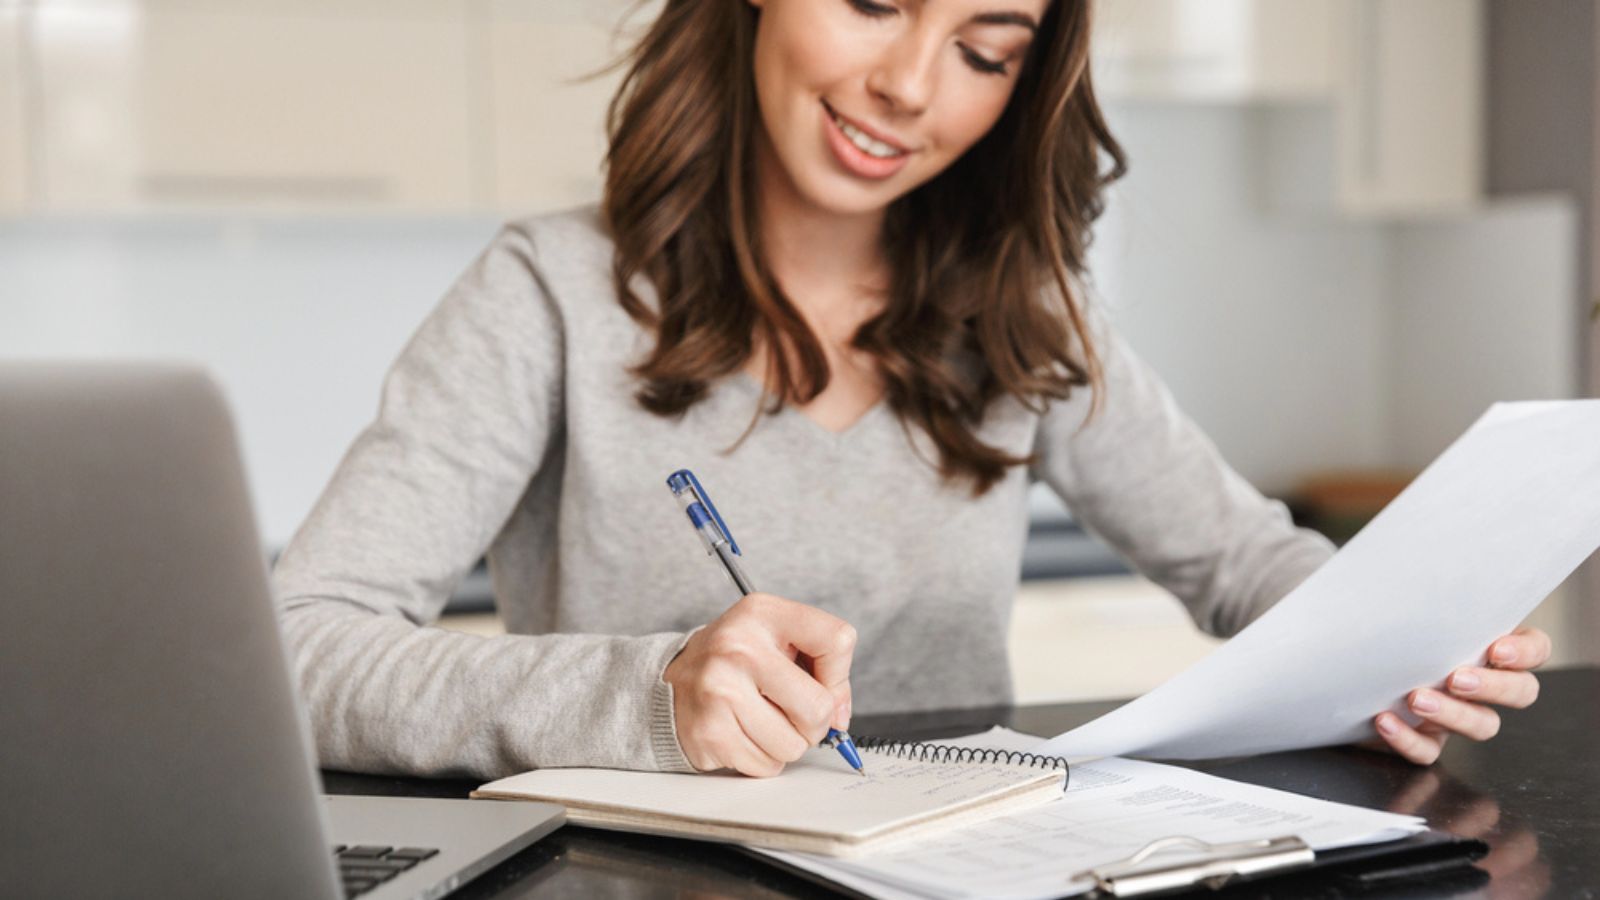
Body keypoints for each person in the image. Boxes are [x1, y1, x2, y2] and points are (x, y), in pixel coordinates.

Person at [272, 0, 1550, 779]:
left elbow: (1246, 565)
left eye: (986, 51)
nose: (911, 87)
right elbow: (299, 651)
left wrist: (1396, 650)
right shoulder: (549, 293)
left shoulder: (1021, 312)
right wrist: (650, 695)